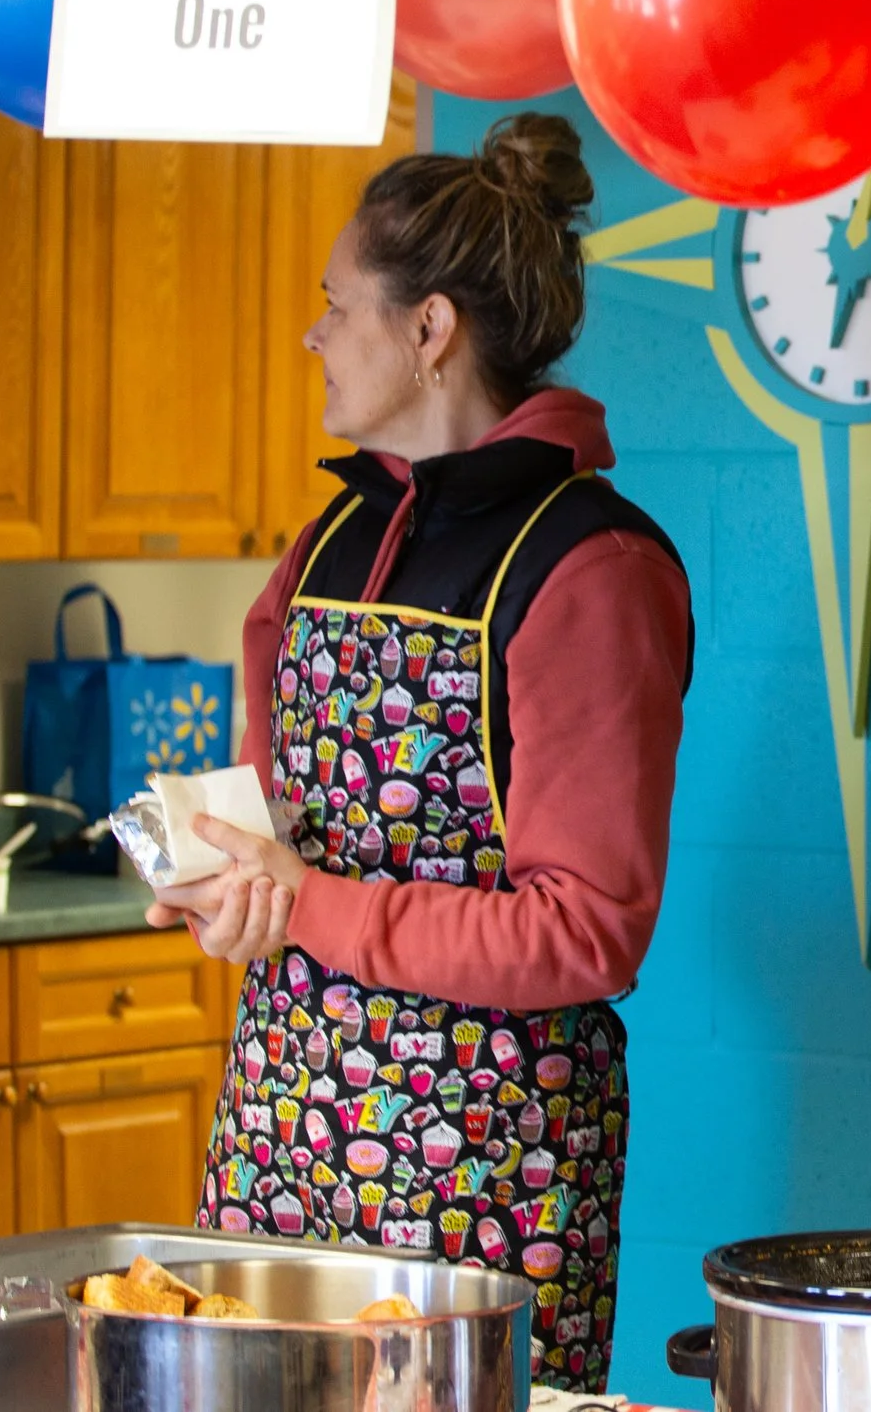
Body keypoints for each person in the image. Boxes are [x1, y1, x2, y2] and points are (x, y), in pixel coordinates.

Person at [147, 114, 693, 1394]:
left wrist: (306, 902)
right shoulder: (325, 541)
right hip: (282, 1118)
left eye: (337, 306)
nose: (314, 336)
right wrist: (222, 880)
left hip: (483, 1161)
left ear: (428, 326)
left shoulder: (593, 567)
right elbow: (274, 816)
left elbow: (586, 931)